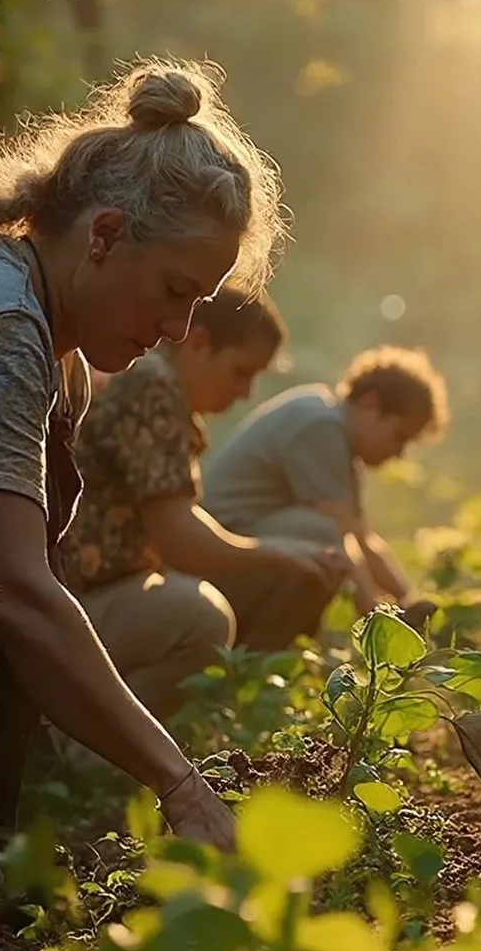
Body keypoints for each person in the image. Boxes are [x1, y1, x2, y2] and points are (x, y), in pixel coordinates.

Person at [0, 58, 287, 854]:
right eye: (172, 291)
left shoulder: (66, 360)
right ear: (105, 235)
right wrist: (182, 786)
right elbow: (14, 592)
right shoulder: (10, 326)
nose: (176, 331)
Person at [61, 285, 347, 725]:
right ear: (199, 343)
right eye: (239, 372)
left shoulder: (163, 392)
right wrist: (276, 553)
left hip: (99, 593)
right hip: (74, 601)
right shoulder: (151, 385)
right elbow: (181, 543)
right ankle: (85, 755)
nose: (246, 393)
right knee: (201, 619)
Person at [203, 346, 450, 648]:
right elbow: (341, 540)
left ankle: (262, 658)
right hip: (216, 550)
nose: (399, 453)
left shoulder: (339, 437)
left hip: (248, 544)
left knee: (322, 542)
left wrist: (410, 601)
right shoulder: (320, 425)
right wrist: (377, 619)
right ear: (370, 404)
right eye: (399, 436)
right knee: (321, 540)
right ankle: (253, 657)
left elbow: (364, 540)